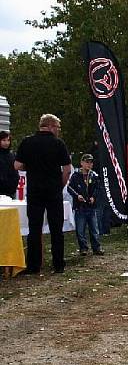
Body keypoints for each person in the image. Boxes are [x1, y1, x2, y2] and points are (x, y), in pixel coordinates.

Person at [13, 114, 72, 274]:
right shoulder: (58, 144)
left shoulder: (27, 142)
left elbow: (17, 165)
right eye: (58, 128)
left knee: (34, 229)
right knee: (56, 229)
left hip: (35, 191)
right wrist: (60, 185)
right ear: (50, 126)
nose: (58, 131)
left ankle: (34, 265)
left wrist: (31, 167)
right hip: (53, 191)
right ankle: (58, 264)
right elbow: (67, 170)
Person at [67, 153, 104, 256]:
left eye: (91, 162)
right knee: (80, 230)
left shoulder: (94, 176)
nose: (89, 164)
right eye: (87, 162)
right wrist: (77, 195)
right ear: (82, 163)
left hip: (91, 207)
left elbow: (98, 188)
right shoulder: (75, 176)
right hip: (80, 207)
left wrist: (94, 197)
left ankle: (96, 247)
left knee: (94, 229)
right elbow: (69, 188)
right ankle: (83, 248)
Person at [0, 130, 19, 198]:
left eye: (8, 140)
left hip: (11, 192)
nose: (6, 143)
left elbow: (15, 172)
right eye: (4, 140)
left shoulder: (12, 155)